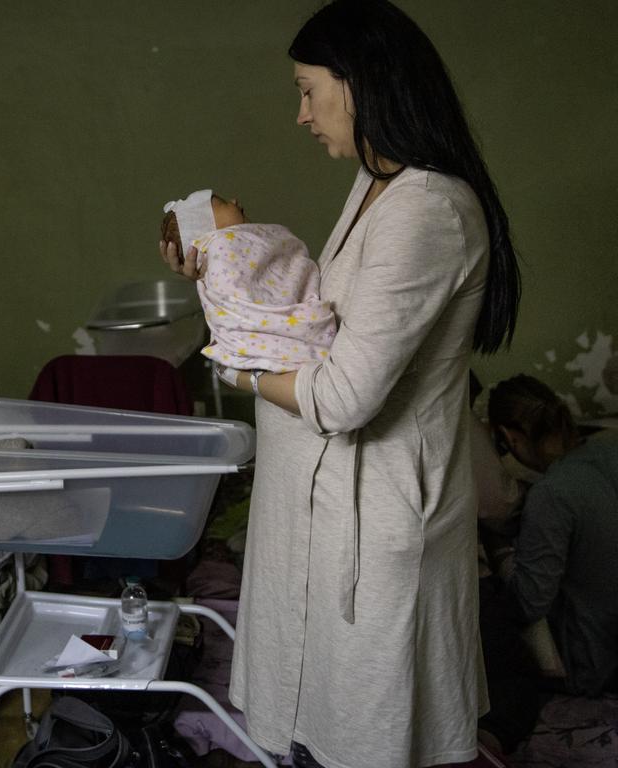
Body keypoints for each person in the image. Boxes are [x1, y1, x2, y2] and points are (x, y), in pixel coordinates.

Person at [159, 1, 521, 766]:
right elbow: (318, 318)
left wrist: (235, 364)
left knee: (369, 740)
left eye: (307, 89)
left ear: (361, 84)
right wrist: (225, 260)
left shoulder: (427, 211)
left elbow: (341, 395)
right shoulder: (377, 185)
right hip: (322, 507)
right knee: (320, 733)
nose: (301, 114)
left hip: (376, 519)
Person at [487, 374, 618, 697]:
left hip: (596, 664)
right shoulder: (610, 448)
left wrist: (502, 552)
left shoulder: (551, 495)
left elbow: (528, 604)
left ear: (509, 438)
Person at [161, 189, 336, 374]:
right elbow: (233, 302)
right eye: (222, 203)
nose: (234, 200)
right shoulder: (222, 247)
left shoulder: (249, 243)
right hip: (276, 348)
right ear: (207, 229)